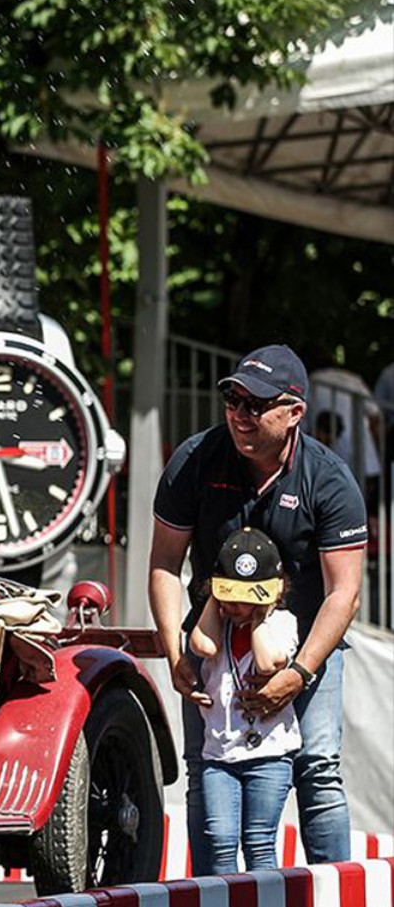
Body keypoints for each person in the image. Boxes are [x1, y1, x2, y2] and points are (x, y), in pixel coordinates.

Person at [149, 345, 367, 866]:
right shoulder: (194, 461)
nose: (239, 414)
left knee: (317, 765)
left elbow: (345, 594)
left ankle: (333, 897)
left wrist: (300, 672)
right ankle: (204, 905)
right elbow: (163, 566)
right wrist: (175, 652)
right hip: (212, 641)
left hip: (307, 640)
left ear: (294, 413)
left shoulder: (330, 479)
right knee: (205, 771)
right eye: (233, 399)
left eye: (256, 404)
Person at [185, 528, 301, 873]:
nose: (236, 607)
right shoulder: (216, 626)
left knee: (259, 843)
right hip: (219, 756)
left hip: (269, 756)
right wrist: (214, 598)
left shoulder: (282, 622)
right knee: (220, 842)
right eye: (229, 596)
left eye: (245, 598)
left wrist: (260, 614)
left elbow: (268, 662)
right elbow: (202, 647)